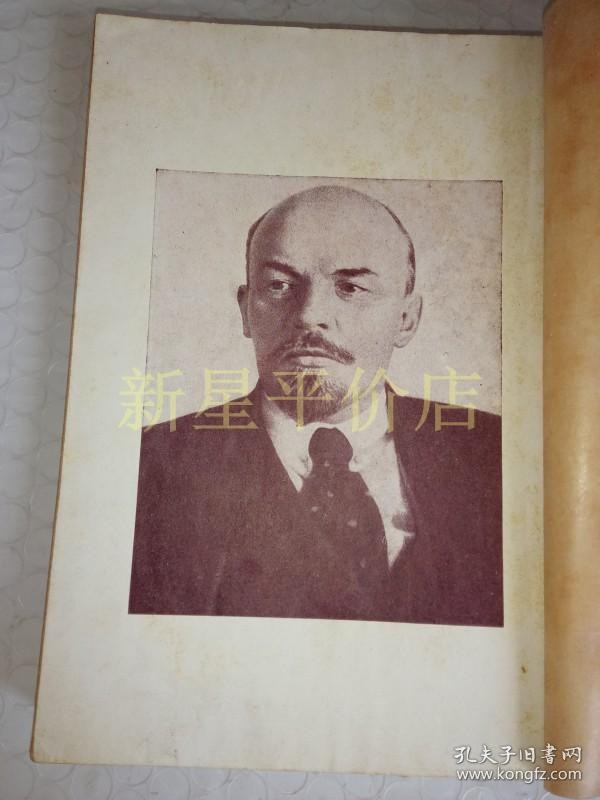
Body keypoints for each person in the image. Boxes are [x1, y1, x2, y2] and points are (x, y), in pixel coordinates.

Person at [129, 185, 502, 625]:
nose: (309, 315)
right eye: (279, 285)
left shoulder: (493, 454)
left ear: (406, 319)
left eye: (351, 288)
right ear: (246, 311)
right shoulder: (147, 467)